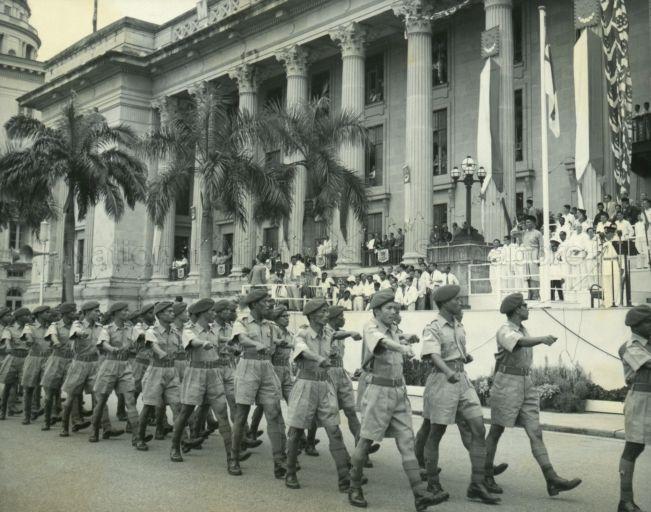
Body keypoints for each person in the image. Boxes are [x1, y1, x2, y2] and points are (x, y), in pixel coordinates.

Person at [347, 289, 442, 511]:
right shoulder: (371, 326)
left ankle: (419, 494)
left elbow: (393, 337)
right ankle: (354, 486)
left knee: (406, 442)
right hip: (378, 391)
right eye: (389, 308)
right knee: (366, 440)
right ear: (377, 310)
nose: (393, 311)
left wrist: (405, 337)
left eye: (395, 308)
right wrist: (401, 345)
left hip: (398, 392)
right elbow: (382, 343)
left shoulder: (391, 329)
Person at [484, 293, 581, 496]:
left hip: (526, 383)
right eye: (525, 306)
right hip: (507, 383)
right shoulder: (505, 330)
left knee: (535, 431)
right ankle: (485, 474)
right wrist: (543, 339)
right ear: (517, 309)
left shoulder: (522, 329)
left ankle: (551, 478)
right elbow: (519, 343)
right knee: (496, 429)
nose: (528, 308)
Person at [420, 285, 499, 504]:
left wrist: (464, 358)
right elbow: (433, 355)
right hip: (442, 381)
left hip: (462, 380)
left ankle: (477, 484)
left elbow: (456, 351)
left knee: (478, 427)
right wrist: (448, 371)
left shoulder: (458, 325)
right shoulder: (433, 327)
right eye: (455, 300)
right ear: (444, 303)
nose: (459, 302)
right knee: (436, 432)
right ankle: (433, 483)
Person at [285, 299, 351, 491]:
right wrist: (319, 358)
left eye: (326, 312)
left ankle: (344, 478)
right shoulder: (302, 333)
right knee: (296, 431)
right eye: (322, 312)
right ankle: (290, 472)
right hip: (305, 384)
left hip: (324, 384)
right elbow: (302, 351)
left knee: (334, 431)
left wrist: (352, 334)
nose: (326, 315)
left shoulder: (329, 333)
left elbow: (337, 334)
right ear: (312, 315)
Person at [169, 298, 236, 468]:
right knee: (185, 411)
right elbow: (192, 342)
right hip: (195, 373)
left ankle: (232, 458)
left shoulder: (214, 330)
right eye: (212, 311)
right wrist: (203, 343)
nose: (215, 314)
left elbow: (223, 341)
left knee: (222, 413)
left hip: (214, 373)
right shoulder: (188, 330)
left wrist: (232, 345)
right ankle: (175, 446)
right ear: (203, 313)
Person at [230, 289, 287, 478]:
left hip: (267, 367)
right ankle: (234, 458)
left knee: (273, 412)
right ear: (254, 305)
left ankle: (279, 461)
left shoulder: (270, 325)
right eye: (265, 302)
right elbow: (242, 339)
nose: (269, 304)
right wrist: (256, 345)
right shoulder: (242, 322)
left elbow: (280, 339)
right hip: (248, 366)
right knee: (241, 415)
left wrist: (282, 343)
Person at [60, 301, 122, 439]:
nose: (98, 313)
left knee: (99, 397)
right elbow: (75, 333)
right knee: (71, 397)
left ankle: (107, 428)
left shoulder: (100, 327)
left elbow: (104, 342)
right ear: (87, 312)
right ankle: (64, 426)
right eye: (95, 311)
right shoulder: (78, 324)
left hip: (95, 364)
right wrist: (80, 334)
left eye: (98, 311)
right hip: (79, 364)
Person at [90, 302, 143, 445]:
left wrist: (139, 343)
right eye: (124, 311)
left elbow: (141, 340)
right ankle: (95, 430)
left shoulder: (131, 328)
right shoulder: (107, 328)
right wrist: (112, 349)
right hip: (109, 365)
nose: (127, 313)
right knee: (101, 400)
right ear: (116, 313)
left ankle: (137, 437)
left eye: (127, 310)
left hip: (125, 366)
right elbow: (104, 343)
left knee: (130, 400)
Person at [135, 301, 185, 451]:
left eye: (172, 311)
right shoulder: (152, 331)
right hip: (156, 371)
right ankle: (140, 437)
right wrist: (161, 353)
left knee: (177, 405)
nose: (172, 314)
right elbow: (153, 345)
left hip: (172, 371)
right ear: (160, 314)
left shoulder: (175, 332)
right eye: (169, 312)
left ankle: (179, 443)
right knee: (149, 405)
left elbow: (182, 349)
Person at [616, 305, 651, 512]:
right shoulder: (631, 346)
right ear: (637, 326)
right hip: (640, 400)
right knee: (634, 447)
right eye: (649, 322)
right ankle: (625, 500)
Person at [20, 305, 51, 425]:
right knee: (28, 388)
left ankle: (47, 420)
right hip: (33, 358)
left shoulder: (51, 327)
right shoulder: (29, 327)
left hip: (48, 358)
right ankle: (27, 416)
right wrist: (29, 340)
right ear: (39, 314)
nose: (49, 314)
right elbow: (27, 335)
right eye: (46, 312)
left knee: (48, 388)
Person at [0, 307, 31, 420]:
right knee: (8, 385)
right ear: (19, 317)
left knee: (26, 386)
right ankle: (2, 411)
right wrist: (8, 347)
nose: (28, 317)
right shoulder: (9, 329)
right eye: (26, 316)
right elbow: (7, 340)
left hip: (26, 358)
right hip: (12, 358)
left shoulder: (29, 329)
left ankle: (27, 415)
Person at [521, 215, 543, 300]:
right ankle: (529, 295)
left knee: (534, 275)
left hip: (534, 252)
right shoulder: (524, 232)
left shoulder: (538, 233)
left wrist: (539, 258)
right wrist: (520, 225)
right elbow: (513, 233)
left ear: (533, 223)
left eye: (528, 222)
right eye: (526, 222)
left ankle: (536, 295)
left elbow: (541, 246)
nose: (527, 224)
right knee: (527, 275)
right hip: (526, 254)